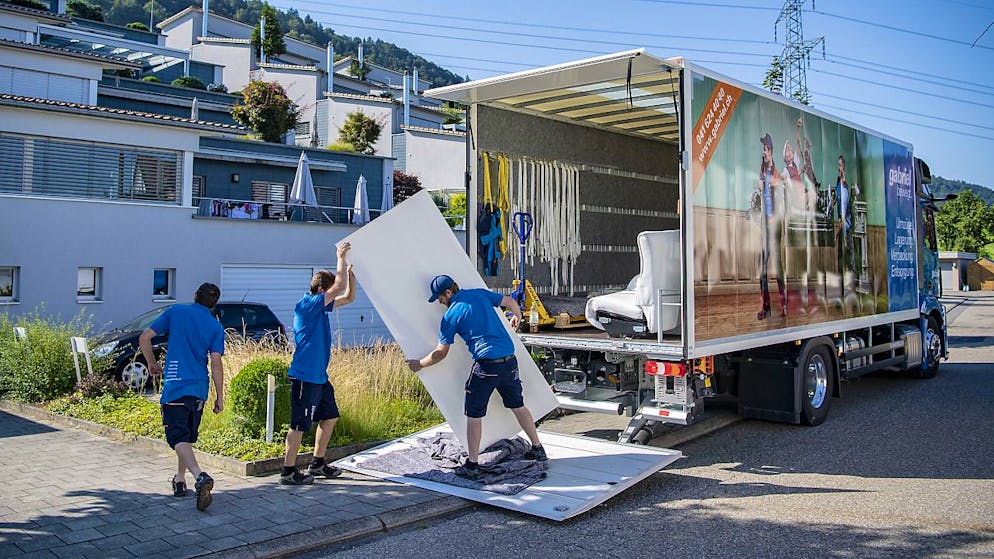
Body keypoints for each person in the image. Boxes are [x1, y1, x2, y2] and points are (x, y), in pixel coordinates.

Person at [407, 275, 547, 481]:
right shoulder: (479, 294)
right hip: (509, 361)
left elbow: (440, 353)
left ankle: (472, 465)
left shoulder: (451, 316)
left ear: (448, 292)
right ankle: (537, 448)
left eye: (439, 297)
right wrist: (516, 316)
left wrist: (418, 364)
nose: (439, 301)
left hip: (486, 366)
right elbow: (509, 301)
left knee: (474, 413)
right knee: (518, 405)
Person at [139, 283, 225, 512]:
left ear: (195, 296)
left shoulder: (176, 312)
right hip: (198, 389)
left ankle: (199, 476)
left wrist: (151, 363)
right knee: (184, 438)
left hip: (175, 386)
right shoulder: (215, 326)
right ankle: (179, 480)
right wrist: (220, 396)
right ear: (214, 303)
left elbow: (144, 338)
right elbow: (216, 363)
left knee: (177, 438)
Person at [280, 242, 357, 485]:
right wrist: (340, 257)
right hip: (304, 376)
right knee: (298, 424)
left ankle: (317, 463)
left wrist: (351, 276)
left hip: (319, 377)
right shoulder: (307, 305)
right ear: (322, 289)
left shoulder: (321, 307)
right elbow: (339, 286)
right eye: (329, 288)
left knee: (330, 416)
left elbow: (348, 296)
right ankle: (288, 471)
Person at [757, 133, 787, 321]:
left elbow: (781, 199)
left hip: (774, 227)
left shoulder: (776, 173)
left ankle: (784, 305)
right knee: (762, 268)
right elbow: (761, 191)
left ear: (771, 151)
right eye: (763, 149)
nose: (764, 152)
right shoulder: (763, 171)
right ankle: (766, 307)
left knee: (778, 267)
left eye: (766, 149)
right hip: (765, 227)